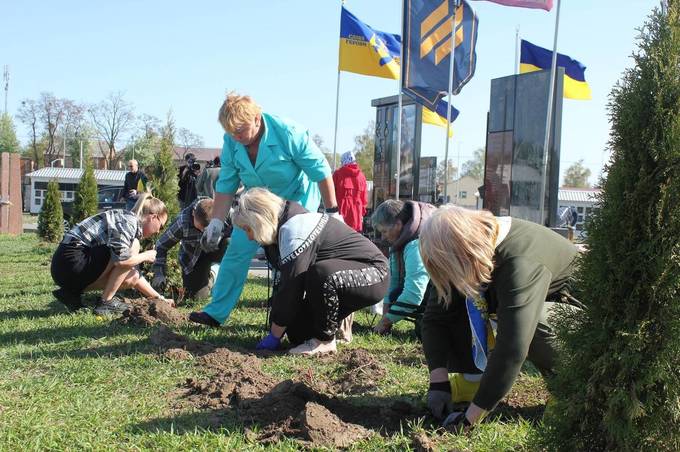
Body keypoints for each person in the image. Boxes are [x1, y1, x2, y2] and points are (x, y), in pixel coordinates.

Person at [419, 206, 579, 431]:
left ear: (466, 252)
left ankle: (572, 390)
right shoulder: (470, 245)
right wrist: (438, 383)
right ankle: (473, 380)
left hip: (585, 326)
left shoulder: (520, 262)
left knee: (537, 323)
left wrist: (469, 419)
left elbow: (513, 346)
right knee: (460, 295)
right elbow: (437, 317)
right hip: (540, 305)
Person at [189, 92, 340, 328]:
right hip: (257, 203)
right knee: (237, 249)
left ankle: (291, 314)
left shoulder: (289, 132)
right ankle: (216, 313)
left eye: (240, 131)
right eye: (231, 132)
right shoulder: (232, 140)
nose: (236, 137)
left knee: (292, 254)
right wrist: (217, 222)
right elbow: (227, 183)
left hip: (297, 198)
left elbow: (320, 171)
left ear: (257, 119)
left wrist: (332, 211)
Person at [231, 188, 389, 355]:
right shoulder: (284, 227)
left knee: (322, 274)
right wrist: (278, 328)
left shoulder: (295, 229)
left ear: (258, 220)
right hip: (344, 276)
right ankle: (322, 333)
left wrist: (274, 336)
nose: (249, 237)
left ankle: (325, 340)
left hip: (375, 274)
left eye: (248, 229)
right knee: (297, 331)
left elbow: (292, 287)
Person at [51, 193, 174, 316]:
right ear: (153, 217)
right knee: (134, 246)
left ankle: (71, 294)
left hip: (65, 267)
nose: (158, 231)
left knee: (132, 277)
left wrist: (160, 298)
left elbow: (135, 276)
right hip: (71, 260)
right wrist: (146, 255)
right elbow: (122, 261)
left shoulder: (127, 219)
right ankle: (106, 302)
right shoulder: (128, 221)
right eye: (161, 226)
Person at [370, 199, 435, 335]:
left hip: (446, 293)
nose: (383, 237)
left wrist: (386, 321)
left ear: (398, 224)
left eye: (385, 231)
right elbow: (392, 282)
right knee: (395, 293)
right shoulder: (400, 242)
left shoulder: (415, 245)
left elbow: (414, 293)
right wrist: (385, 318)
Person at [151, 197, 232, 299]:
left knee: (230, 242)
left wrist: (221, 235)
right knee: (195, 297)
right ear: (193, 213)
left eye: (206, 228)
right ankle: (212, 274)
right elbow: (161, 246)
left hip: (216, 249)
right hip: (194, 258)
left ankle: (226, 273)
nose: (203, 231)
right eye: (200, 228)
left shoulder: (223, 212)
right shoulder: (182, 223)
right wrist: (159, 274)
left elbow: (238, 228)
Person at [332, 151, 368, 233]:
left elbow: (331, 195)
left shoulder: (337, 174)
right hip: (356, 218)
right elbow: (364, 200)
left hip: (340, 217)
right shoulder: (362, 176)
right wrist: (360, 215)